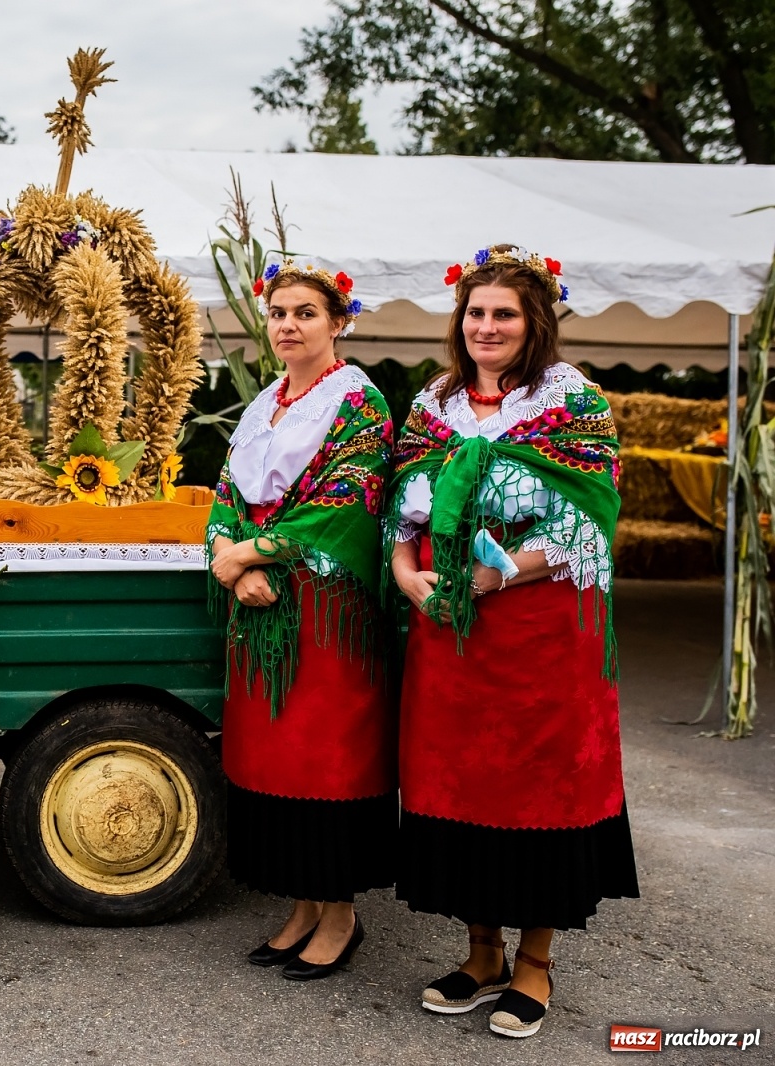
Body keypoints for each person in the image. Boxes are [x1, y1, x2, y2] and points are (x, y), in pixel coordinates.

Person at [388, 245, 638, 1039]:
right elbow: (400, 505)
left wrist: (499, 576)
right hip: (450, 635)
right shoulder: (432, 405)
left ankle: (535, 963)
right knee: (462, 784)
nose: (487, 326)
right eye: (476, 312)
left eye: (505, 314)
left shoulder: (574, 403)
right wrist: (405, 573)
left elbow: (590, 515)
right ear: (458, 321)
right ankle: (481, 954)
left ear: (535, 325)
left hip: (542, 633)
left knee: (537, 789)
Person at [208, 261, 395, 981]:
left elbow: (346, 501)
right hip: (261, 599)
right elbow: (227, 494)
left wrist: (252, 553)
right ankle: (303, 904)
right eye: (279, 313)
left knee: (325, 756)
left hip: (325, 606)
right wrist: (233, 560)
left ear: (339, 322)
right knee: (276, 754)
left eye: (306, 313)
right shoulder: (267, 403)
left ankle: (340, 912)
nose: (288, 325)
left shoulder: (359, 403)